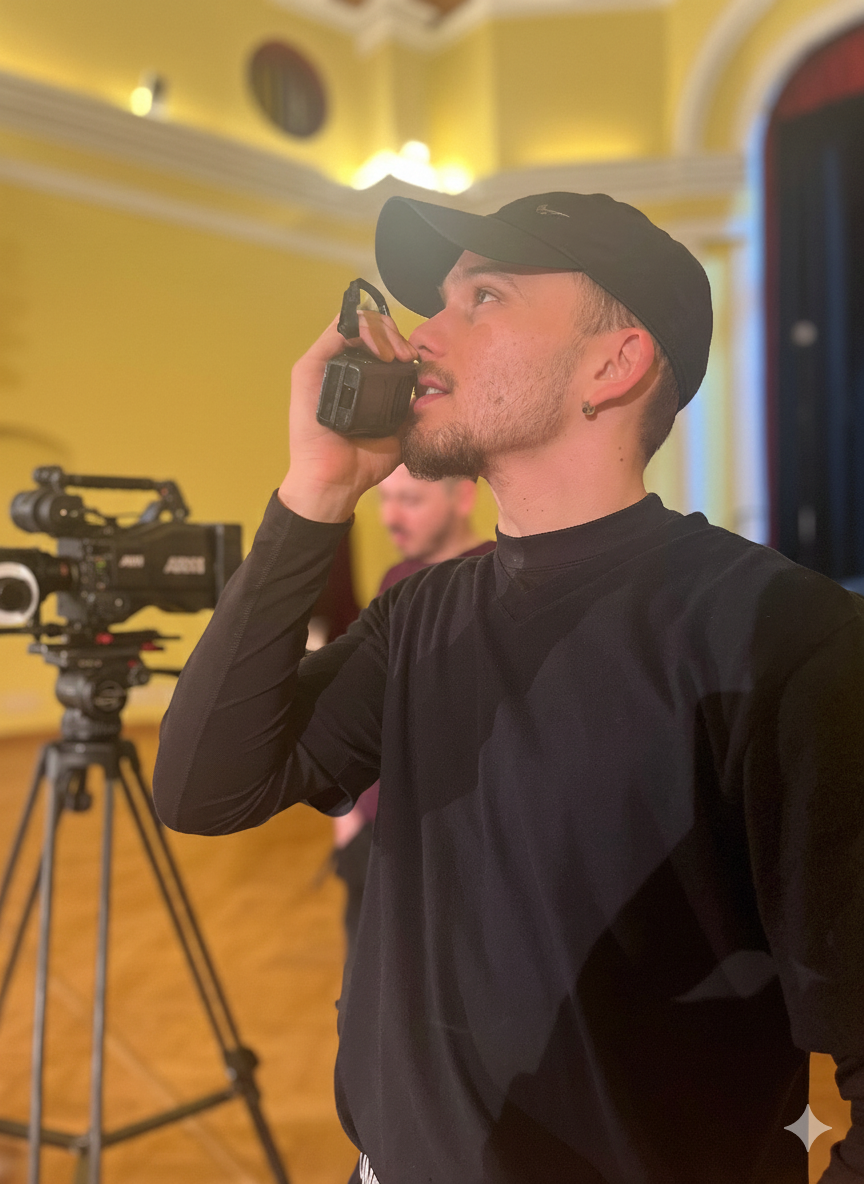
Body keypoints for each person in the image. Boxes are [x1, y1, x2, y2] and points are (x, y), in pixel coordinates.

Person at [153, 191, 864, 1184]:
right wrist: (314, 490)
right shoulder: (418, 618)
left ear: (614, 364)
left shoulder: (787, 635)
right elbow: (204, 787)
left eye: (481, 296)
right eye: (439, 298)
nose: (423, 334)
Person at [332, 465, 495, 1014]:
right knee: (366, 1000)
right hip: (375, 833)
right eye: (385, 499)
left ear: (464, 497)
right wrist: (349, 812)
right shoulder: (397, 578)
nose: (389, 516)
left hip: (448, 848)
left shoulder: (495, 581)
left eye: (410, 500)